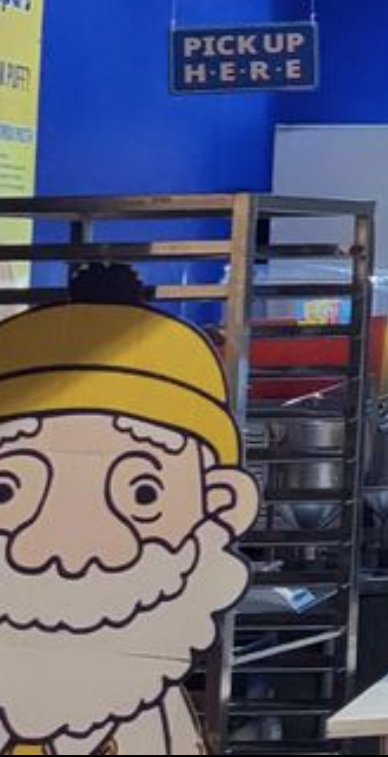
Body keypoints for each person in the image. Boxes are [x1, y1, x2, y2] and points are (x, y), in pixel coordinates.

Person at [0, 263, 260, 755]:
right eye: (7, 490)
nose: (67, 552)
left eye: (143, 494)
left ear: (220, 506)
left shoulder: (160, 733)